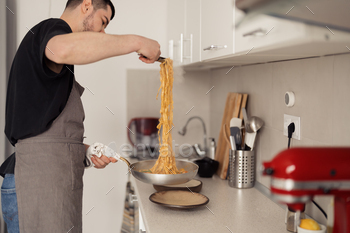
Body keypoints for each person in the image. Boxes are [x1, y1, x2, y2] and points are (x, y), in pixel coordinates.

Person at [0, 0, 161, 232]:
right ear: (86, 5)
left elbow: (43, 130)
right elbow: (63, 48)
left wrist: (85, 151)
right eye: (103, 21)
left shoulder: (57, 64)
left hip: (47, 182)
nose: (103, 32)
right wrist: (138, 42)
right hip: (36, 185)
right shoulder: (51, 30)